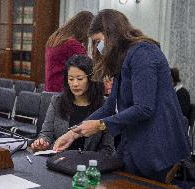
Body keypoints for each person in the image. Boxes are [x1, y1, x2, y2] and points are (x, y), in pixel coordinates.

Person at [53, 9, 191, 182]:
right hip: (135, 144)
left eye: (98, 42)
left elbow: (144, 108)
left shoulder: (143, 53)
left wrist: (100, 125)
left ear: (111, 35)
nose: (97, 48)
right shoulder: (124, 58)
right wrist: (74, 133)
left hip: (156, 147)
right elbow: (110, 107)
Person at [32, 55, 115, 156]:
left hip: (88, 165)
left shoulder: (105, 106)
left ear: (91, 79)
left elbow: (107, 149)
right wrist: (43, 143)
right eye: (71, 79)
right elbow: (46, 134)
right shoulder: (57, 101)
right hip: (58, 161)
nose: (75, 84)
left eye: (80, 79)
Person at [45, 11, 94, 92]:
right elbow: (88, 68)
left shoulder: (56, 38)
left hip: (50, 90)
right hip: (63, 92)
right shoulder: (72, 44)